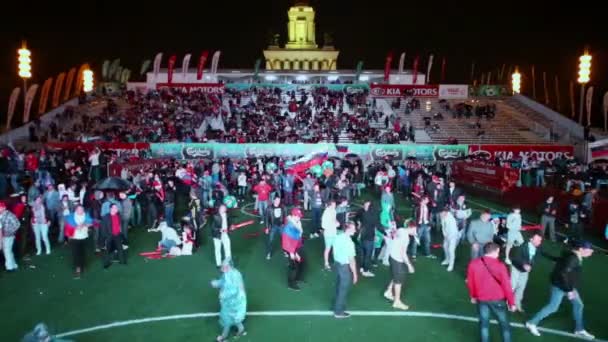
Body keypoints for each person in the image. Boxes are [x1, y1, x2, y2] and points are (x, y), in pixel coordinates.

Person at [525, 240, 595, 340]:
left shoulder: (573, 255)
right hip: (561, 287)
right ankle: (531, 323)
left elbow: (558, 260)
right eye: (589, 250)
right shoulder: (573, 259)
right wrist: (569, 290)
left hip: (568, 286)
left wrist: (543, 252)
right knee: (553, 307)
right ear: (581, 249)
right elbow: (563, 274)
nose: (591, 252)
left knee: (579, 305)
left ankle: (579, 329)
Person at [467, 243, 516, 342]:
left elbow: (471, 282)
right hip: (497, 299)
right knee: (504, 324)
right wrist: (512, 303)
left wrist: (473, 296)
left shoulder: (473, 264)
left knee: (484, 323)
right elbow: (507, 286)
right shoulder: (500, 266)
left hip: (481, 299)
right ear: (495, 251)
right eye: (498, 251)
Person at [211, 260, 247, 342]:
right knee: (235, 318)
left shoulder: (235, 276)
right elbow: (223, 281)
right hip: (231, 302)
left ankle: (223, 337)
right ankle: (241, 330)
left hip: (235, 302)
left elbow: (234, 290)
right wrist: (217, 283)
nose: (222, 269)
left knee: (227, 319)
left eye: (224, 267)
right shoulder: (228, 273)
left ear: (229, 267)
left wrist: (223, 295)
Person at [384, 223, 416, 310]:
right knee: (399, 281)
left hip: (391, 256)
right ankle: (397, 301)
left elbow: (394, 234)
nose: (416, 232)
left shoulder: (401, 229)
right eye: (415, 229)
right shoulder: (406, 238)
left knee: (396, 276)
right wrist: (409, 265)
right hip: (397, 259)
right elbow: (403, 253)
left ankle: (389, 291)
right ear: (411, 227)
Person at [510, 233, 545, 312]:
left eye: (540, 240)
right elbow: (515, 258)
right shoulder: (522, 246)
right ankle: (510, 303)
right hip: (516, 268)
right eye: (537, 240)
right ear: (531, 239)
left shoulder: (538, 248)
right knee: (512, 286)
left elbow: (537, 257)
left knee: (521, 287)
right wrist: (524, 264)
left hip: (525, 270)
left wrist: (530, 266)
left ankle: (517, 303)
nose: (539, 242)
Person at [332, 222, 358, 318]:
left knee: (338, 286)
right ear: (348, 229)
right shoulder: (349, 243)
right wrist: (355, 274)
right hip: (344, 267)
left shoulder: (338, 237)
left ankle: (336, 306)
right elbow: (351, 260)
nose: (355, 230)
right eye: (353, 229)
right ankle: (338, 312)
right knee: (343, 289)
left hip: (337, 264)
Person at [64, 205, 93, 278]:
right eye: (79, 209)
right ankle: (78, 268)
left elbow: (91, 223)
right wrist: (76, 226)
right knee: (75, 253)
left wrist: (83, 224)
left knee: (83, 252)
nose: (81, 211)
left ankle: (83, 264)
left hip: (84, 236)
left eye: (82, 209)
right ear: (76, 210)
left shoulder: (86, 215)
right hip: (74, 237)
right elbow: (69, 224)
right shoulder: (71, 216)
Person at [282, 208, 305, 290]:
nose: (299, 217)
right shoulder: (289, 226)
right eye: (298, 216)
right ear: (293, 215)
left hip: (297, 246)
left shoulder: (297, 222)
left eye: (299, 216)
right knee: (293, 266)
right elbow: (286, 240)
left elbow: (298, 235)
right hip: (291, 249)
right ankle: (291, 284)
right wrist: (292, 252)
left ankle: (297, 279)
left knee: (299, 262)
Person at [101, 204, 127, 268]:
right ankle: (106, 263)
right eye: (115, 208)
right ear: (111, 209)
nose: (116, 209)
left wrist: (120, 233)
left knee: (120, 248)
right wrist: (105, 237)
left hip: (117, 235)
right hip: (109, 236)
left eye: (116, 208)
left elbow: (119, 225)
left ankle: (122, 261)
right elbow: (103, 228)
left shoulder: (118, 215)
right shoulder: (106, 217)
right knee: (108, 250)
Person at [356, 200, 377, 277]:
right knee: (367, 255)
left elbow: (356, 219)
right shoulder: (371, 215)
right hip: (368, 238)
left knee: (363, 254)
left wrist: (358, 224)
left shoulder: (362, 213)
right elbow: (376, 225)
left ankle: (362, 267)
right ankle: (365, 270)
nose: (366, 207)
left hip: (362, 236)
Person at [0, 201, 21, 271]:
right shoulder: (1, 215)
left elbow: (17, 224)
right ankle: (13, 264)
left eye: (0, 207)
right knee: (8, 251)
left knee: (7, 251)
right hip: (3, 236)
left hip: (9, 236)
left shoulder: (9, 215)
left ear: (3, 208)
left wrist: (10, 232)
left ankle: (9, 267)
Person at [322, 200, 340, 269]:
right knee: (328, 248)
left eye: (335, 205)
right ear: (329, 205)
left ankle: (335, 260)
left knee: (335, 247)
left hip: (334, 232)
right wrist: (334, 225)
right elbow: (323, 226)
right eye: (333, 205)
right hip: (328, 234)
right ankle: (326, 263)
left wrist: (337, 222)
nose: (335, 206)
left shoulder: (334, 211)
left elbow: (334, 219)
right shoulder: (326, 213)